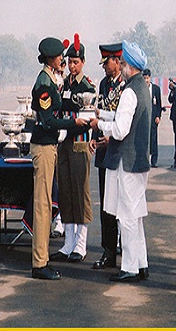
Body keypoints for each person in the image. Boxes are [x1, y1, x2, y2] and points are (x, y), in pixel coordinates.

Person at [30, 37, 91, 280]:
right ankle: (39, 263)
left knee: (46, 204)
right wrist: (72, 123)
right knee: (43, 206)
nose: (63, 61)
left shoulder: (51, 80)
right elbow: (48, 120)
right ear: (50, 58)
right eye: (60, 57)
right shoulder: (45, 83)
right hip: (44, 145)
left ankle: (42, 258)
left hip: (49, 145)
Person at [91, 40, 152, 282]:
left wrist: (100, 124)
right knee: (136, 216)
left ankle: (129, 267)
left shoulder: (128, 91)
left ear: (128, 66)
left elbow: (120, 130)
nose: (122, 66)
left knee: (126, 216)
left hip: (125, 162)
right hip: (138, 161)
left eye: (123, 63)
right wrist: (107, 117)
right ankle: (141, 262)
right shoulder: (142, 88)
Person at [51, 34, 96, 263]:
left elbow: (91, 116)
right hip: (64, 142)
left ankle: (81, 243)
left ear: (83, 62)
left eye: (76, 62)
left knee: (81, 192)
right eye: (69, 62)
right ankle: (68, 243)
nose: (72, 66)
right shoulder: (63, 84)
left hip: (80, 142)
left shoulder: (87, 86)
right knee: (66, 192)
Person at [92, 42, 125, 271]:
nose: (104, 67)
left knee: (122, 204)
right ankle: (108, 251)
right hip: (104, 151)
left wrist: (111, 137)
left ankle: (126, 249)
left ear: (116, 61)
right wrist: (94, 136)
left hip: (119, 151)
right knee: (106, 204)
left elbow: (124, 121)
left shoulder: (126, 86)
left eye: (107, 62)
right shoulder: (104, 84)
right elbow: (99, 109)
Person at [146, 69, 163, 167]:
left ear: (150, 78)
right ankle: (145, 159)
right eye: (144, 78)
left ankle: (154, 161)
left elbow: (159, 104)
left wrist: (158, 116)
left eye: (147, 78)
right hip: (144, 119)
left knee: (154, 139)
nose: (146, 80)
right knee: (145, 139)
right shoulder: (141, 88)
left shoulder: (156, 89)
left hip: (153, 118)